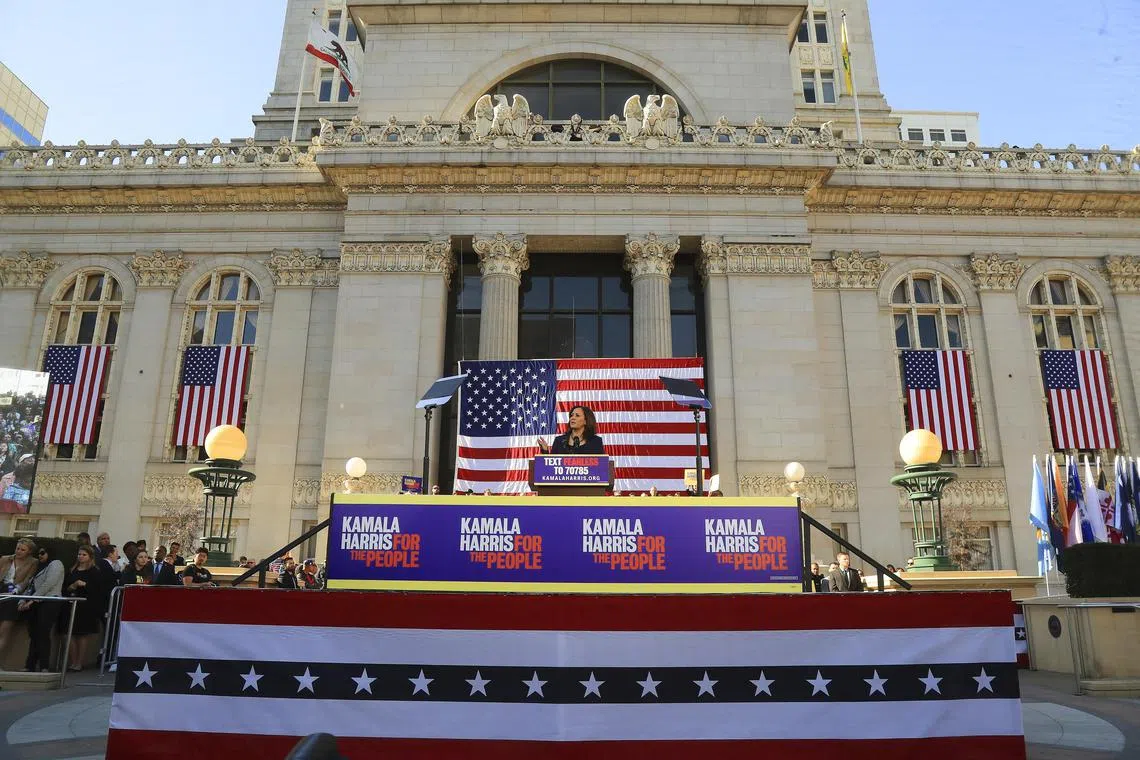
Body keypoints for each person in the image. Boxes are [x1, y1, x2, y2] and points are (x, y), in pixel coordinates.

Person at [19, 546, 65, 672]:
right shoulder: (40, 567)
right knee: (34, 634)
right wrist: (23, 600)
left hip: (49, 602)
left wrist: (31, 600)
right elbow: (31, 585)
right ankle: (30, 665)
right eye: (38, 553)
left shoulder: (56, 564)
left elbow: (49, 583)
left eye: (43, 553)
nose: (40, 555)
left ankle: (44, 665)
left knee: (43, 632)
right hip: (37, 603)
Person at [60, 545, 104, 671]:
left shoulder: (94, 571)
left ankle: (79, 662)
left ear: (90, 556)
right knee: (68, 634)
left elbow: (98, 590)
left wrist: (85, 585)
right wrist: (72, 586)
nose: (81, 557)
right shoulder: (72, 570)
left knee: (82, 634)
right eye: (79, 554)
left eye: (84, 555)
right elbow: (65, 587)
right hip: (70, 604)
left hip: (85, 606)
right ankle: (73, 661)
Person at [0, 538, 39, 654]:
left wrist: (16, 590)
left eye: (23, 550)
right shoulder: (5, 559)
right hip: (1, 590)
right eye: (17, 548)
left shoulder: (33, 562)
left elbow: (28, 579)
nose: (19, 551)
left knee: (4, 630)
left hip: (14, 594)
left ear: (29, 551)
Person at [536, 405, 605, 455]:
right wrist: (545, 451)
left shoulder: (596, 441)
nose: (572, 418)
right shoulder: (559, 441)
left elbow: (600, 467)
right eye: (571, 415)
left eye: (577, 415)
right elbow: (551, 467)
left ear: (586, 421)